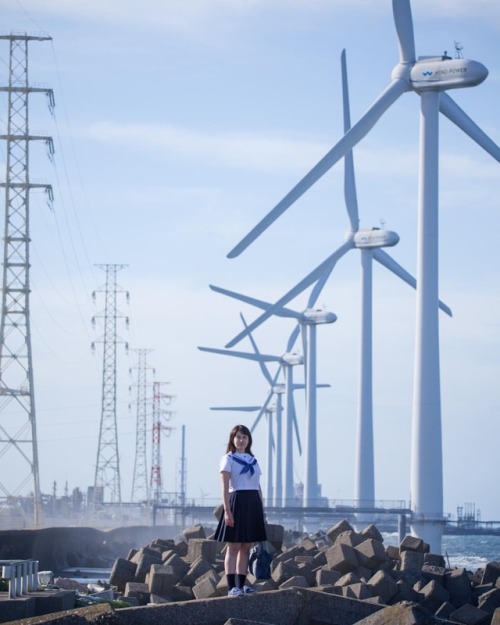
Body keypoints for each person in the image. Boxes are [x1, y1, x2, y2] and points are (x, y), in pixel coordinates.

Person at [213, 424, 267, 596]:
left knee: (246, 547)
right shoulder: (227, 459)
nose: (241, 440)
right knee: (233, 546)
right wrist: (227, 511)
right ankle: (231, 587)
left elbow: (257, 486)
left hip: (253, 504)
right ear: (232, 439)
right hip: (237, 502)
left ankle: (242, 584)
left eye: (245, 437)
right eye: (238, 437)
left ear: (249, 440)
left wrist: (261, 509)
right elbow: (224, 487)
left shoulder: (253, 460)